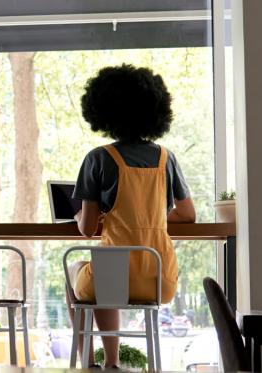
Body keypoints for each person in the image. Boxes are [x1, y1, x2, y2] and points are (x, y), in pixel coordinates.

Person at [67, 65, 196, 368]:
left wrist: (80, 218)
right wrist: (150, 217)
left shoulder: (98, 158)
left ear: (103, 112)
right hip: (158, 278)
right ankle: (111, 361)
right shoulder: (167, 158)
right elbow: (188, 215)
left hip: (112, 278)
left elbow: (87, 230)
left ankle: (92, 361)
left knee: (82, 269)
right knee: (106, 274)